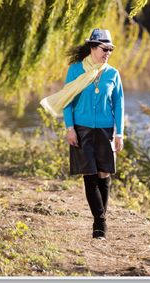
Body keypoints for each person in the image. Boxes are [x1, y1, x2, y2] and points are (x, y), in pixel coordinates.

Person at [45, 28, 124, 240]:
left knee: (103, 174)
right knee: (89, 174)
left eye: (110, 49)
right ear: (92, 47)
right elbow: (67, 100)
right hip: (82, 130)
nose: (108, 52)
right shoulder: (75, 70)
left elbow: (119, 104)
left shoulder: (112, 73)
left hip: (106, 130)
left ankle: (100, 221)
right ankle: (100, 223)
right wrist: (70, 128)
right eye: (104, 48)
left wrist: (120, 134)